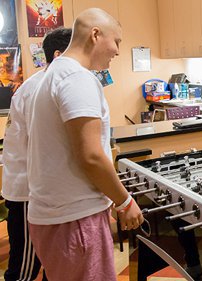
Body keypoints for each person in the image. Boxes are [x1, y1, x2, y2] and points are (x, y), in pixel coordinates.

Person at [26, 8, 144, 281]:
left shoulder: (54, 72)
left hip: (57, 216)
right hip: (74, 220)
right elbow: (90, 155)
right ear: (95, 35)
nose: (117, 51)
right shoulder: (77, 78)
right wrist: (124, 201)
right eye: (116, 42)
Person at [1, 27, 72, 281]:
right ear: (59, 54)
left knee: (53, 265)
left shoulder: (49, 83)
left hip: (43, 191)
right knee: (23, 270)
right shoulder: (40, 87)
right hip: (27, 193)